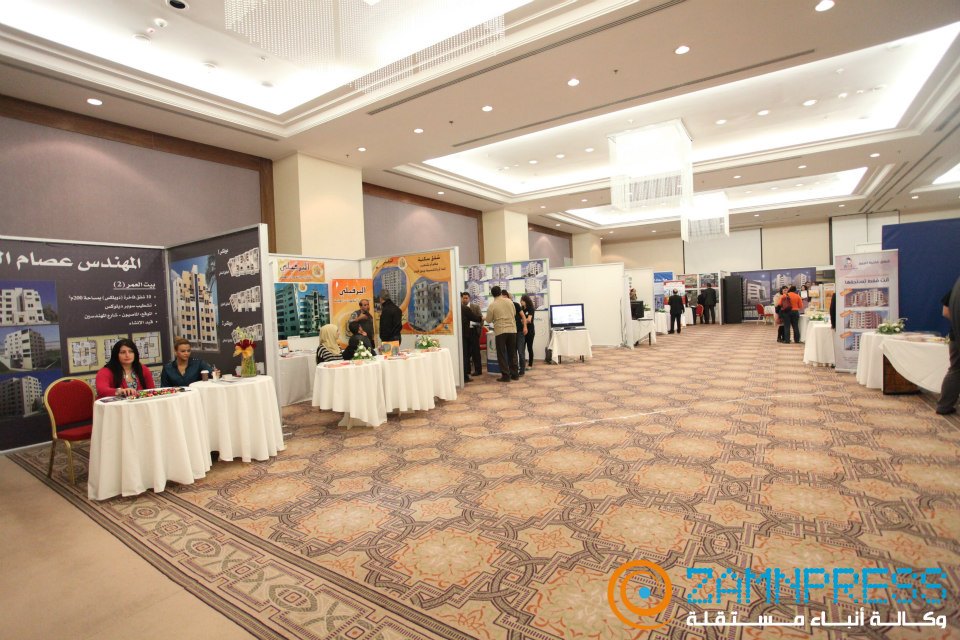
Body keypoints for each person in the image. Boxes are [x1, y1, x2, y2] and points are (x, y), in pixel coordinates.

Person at [936, 277, 960, 415]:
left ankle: (944, 405)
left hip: (955, 335)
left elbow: (945, 311)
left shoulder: (956, 287)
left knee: (955, 370)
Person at [484, 285, 518, 381]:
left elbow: (489, 320)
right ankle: (515, 374)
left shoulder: (492, 305)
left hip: (500, 331)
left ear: (492, 294)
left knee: (501, 354)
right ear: (500, 292)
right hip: (512, 330)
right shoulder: (509, 301)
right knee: (512, 353)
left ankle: (506, 376)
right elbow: (514, 313)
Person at [460, 292, 482, 382]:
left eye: (466, 298)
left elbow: (480, 318)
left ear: (469, 298)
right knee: (466, 352)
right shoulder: (460, 308)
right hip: (464, 332)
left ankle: (478, 370)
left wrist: (479, 329)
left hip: (473, 331)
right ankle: (467, 370)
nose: (465, 300)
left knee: (475, 352)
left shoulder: (475, 307)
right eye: (463, 298)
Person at [521, 294, 536, 368]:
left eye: (522, 300)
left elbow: (529, 320)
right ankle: (522, 364)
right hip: (522, 331)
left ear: (526, 301)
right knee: (522, 348)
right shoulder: (521, 309)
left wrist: (522, 321)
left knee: (529, 347)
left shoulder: (530, 308)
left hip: (530, 331)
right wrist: (524, 321)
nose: (521, 302)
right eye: (521, 300)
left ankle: (530, 364)